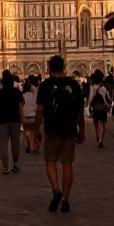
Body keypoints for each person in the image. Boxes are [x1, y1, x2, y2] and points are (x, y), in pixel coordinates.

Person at [33, 55, 85, 213]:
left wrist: (36, 129)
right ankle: (65, 200)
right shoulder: (74, 85)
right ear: (64, 66)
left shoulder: (46, 85)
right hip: (69, 129)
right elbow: (80, 112)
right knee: (67, 164)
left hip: (52, 128)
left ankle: (56, 190)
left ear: (49, 67)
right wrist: (81, 131)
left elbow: (40, 110)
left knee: (50, 161)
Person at [0, 71, 24, 174]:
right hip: (15, 120)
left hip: (2, 120)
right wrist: (22, 120)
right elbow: (20, 107)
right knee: (15, 143)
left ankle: (5, 167)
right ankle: (15, 164)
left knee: (3, 144)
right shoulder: (17, 92)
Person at [87, 69, 111, 148]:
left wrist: (89, 105)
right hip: (103, 107)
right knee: (103, 124)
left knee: (96, 124)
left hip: (96, 107)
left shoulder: (92, 87)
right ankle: (101, 140)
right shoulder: (103, 87)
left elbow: (90, 98)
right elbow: (109, 98)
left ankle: (98, 139)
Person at [22, 79, 40, 154]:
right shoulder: (34, 96)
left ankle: (28, 146)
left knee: (26, 132)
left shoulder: (22, 96)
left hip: (25, 115)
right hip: (33, 115)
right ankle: (32, 147)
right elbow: (37, 106)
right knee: (32, 133)